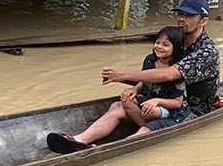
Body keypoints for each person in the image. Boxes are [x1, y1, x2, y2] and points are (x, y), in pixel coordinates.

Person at [49, 0, 220, 153]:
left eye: (189, 16)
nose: (182, 19)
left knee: (151, 122)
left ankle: (119, 147)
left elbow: (169, 75)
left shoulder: (206, 51)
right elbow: (154, 70)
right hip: (162, 96)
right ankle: (79, 140)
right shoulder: (176, 40)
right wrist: (137, 87)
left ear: (203, 21)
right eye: (181, 14)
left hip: (189, 109)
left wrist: (123, 76)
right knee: (118, 106)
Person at [48, 26, 190, 152]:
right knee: (120, 103)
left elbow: (177, 102)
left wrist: (156, 101)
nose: (159, 47)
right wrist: (134, 89)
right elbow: (146, 79)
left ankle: (125, 143)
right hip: (147, 106)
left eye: (165, 44)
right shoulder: (150, 60)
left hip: (170, 113)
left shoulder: (177, 69)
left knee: (150, 114)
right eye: (157, 42)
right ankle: (79, 140)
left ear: (175, 48)